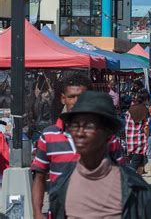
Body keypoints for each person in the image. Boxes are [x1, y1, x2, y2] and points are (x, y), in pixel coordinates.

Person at [49, 91, 151, 218]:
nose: (80, 133)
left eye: (88, 126)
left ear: (108, 132)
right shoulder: (61, 187)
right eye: (75, 125)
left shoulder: (136, 190)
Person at [32, 74, 123, 219]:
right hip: (59, 212)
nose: (75, 101)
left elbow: (121, 178)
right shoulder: (48, 136)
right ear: (63, 98)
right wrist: (37, 212)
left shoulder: (107, 139)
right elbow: (40, 176)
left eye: (80, 97)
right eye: (71, 96)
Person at [124, 90, 149, 175]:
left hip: (130, 140)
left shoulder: (130, 109)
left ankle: (138, 179)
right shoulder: (144, 110)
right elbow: (146, 127)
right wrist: (148, 136)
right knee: (135, 162)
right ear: (146, 99)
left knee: (139, 160)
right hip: (139, 140)